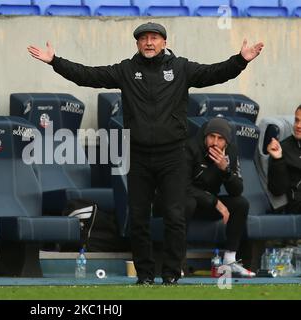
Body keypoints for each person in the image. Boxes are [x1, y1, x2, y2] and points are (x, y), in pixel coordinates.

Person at [27, 22, 263, 285]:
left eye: (154, 38)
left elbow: (214, 73)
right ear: (137, 44)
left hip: (173, 155)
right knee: (138, 218)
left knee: (175, 216)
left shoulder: (181, 68)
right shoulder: (126, 70)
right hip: (138, 156)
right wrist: (55, 62)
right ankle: (145, 276)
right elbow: (88, 76)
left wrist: (241, 60)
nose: (149, 43)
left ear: (164, 41)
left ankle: (172, 274)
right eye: (143, 39)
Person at [185, 117, 255, 277]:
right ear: (205, 137)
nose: (215, 142)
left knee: (240, 204)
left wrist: (225, 170)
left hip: (207, 205)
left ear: (227, 143)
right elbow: (182, 186)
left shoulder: (231, 151)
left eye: (220, 138)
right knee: (187, 203)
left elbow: (237, 190)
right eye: (211, 136)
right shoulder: (191, 147)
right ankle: (177, 262)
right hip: (186, 202)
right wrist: (215, 202)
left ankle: (229, 261)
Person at [267, 105, 301, 213]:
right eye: (297, 120)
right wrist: (278, 160)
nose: (298, 125)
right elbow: (277, 190)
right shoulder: (283, 148)